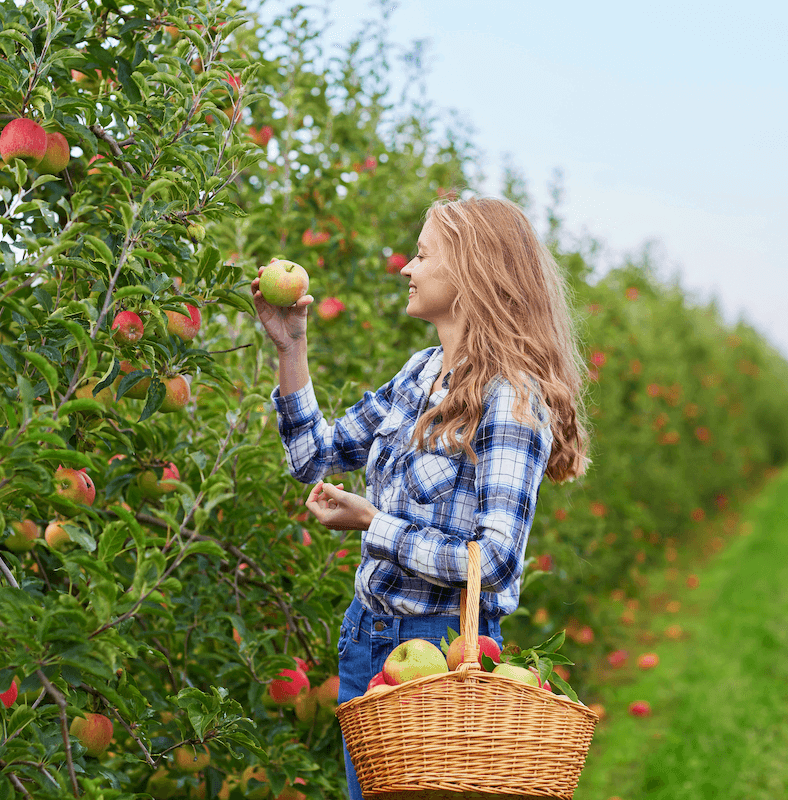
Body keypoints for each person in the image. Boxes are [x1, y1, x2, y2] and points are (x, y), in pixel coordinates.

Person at [250, 195, 590, 800]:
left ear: (469, 274)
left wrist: (374, 523)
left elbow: (497, 559)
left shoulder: (511, 399)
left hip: (446, 655)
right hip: (368, 644)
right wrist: (290, 348)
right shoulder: (420, 372)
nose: (406, 268)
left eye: (422, 255)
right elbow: (315, 458)